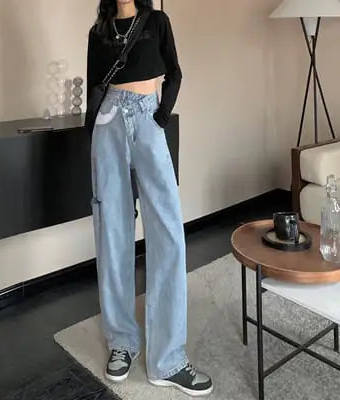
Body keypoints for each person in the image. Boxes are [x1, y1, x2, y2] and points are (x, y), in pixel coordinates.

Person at [86, 0, 213, 396]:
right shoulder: (98, 32)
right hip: (107, 123)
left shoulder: (157, 21)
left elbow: (174, 72)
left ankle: (168, 359)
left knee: (168, 231)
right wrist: (92, 137)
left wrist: (160, 116)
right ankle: (121, 340)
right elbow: (94, 87)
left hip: (147, 117)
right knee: (112, 231)